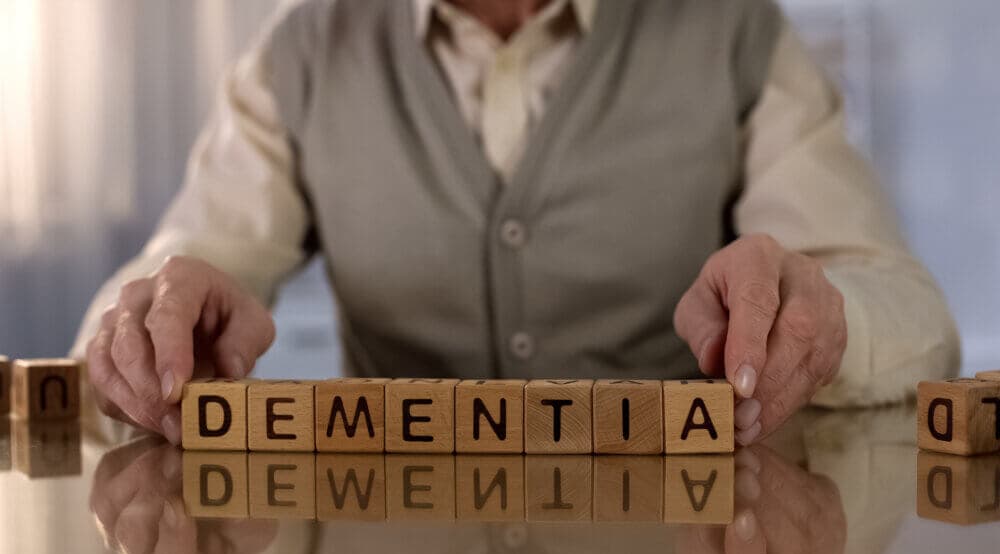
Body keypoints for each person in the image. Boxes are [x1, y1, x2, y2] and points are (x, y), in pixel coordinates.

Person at [71, 0, 960, 446]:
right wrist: (145, 331)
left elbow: (909, 310)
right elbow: (164, 276)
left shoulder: (731, 29)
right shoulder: (303, 49)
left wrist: (825, 317)